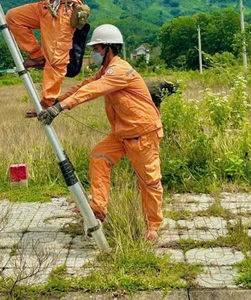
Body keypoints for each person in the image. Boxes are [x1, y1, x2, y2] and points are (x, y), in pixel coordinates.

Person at [37, 24, 164, 241]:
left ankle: (152, 226)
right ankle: (98, 207)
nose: (93, 52)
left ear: (108, 48)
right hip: (122, 133)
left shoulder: (119, 71)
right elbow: (83, 86)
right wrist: (52, 103)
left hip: (142, 132)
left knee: (149, 181)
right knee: (99, 156)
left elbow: (92, 91)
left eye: (96, 48)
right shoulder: (105, 71)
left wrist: (61, 108)